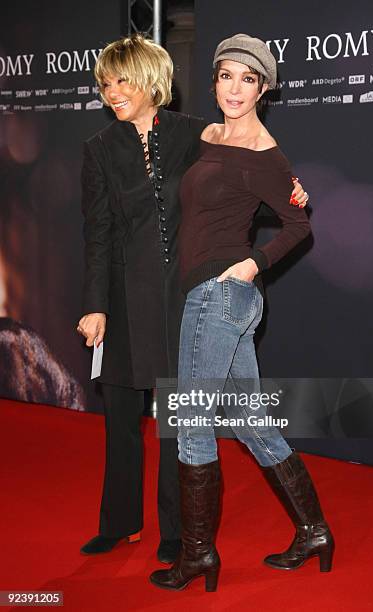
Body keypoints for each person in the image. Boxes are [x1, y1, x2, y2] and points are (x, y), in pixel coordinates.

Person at [76, 34, 309, 564]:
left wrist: (292, 189)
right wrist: (94, 303)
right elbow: (97, 232)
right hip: (120, 296)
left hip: (183, 296)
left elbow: (243, 162)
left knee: (177, 419)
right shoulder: (97, 149)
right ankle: (118, 524)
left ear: (151, 81)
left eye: (124, 80)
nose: (114, 92)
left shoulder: (193, 134)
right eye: (107, 83)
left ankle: (179, 533)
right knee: (120, 415)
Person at [149, 34, 334, 591]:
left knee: (191, 425)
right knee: (253, 425)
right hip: (216, 296)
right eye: (226, 75)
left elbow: (300, 224)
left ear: (263, 88)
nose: (235, 88)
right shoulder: (208, 135)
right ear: (214, 81)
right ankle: (314, 531)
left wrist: (253, 264)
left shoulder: (263, 152)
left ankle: (199, 556)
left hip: (220, 294)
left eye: (248, 79)